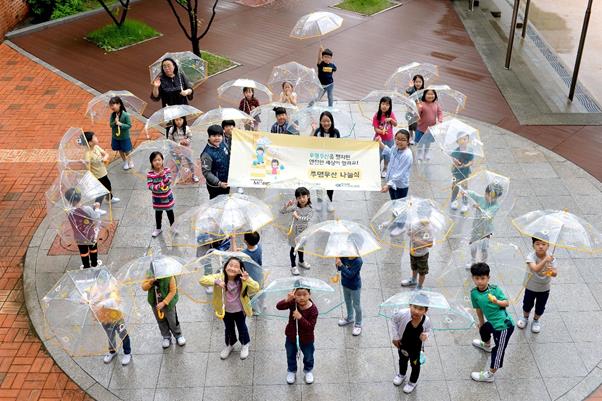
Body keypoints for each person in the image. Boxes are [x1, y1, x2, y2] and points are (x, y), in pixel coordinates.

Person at [199, 257, 260, 360]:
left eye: (236, 266)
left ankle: (245, 344)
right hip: (225, 311)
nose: (232, 268)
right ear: (225, 266)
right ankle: (230, 344)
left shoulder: (243, 280)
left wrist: (248, 279)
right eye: (230, 265)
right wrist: (216, 281)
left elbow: (256, 287)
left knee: (242, 328)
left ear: (241, 270)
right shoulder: (220, 277)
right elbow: (202, 280)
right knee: (229, 328)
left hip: (240, 310)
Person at [469, 262, 514, 383]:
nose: (480, 281)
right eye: (477, 278)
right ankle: (487, 345)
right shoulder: (474, 293)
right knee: (483, 329)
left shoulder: (494, 290)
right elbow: (478, 309)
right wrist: (481, 322)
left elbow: (506, 303)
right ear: (473, 278)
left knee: (499, 350)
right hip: (492, 323)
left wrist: (496, 301)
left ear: (488, 278)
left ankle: (490, 374)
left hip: (503, 326)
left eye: (483, 278)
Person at [276, 286, 318, 385]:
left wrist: (300, 317)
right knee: (290, 354)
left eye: (304, 294)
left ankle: (308, 370)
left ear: (309, 295)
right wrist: (287, 300)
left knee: (308, 356)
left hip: (307, 339)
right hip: (291, 336)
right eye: (298, 295)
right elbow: (278, 306)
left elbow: (310, 327)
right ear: (294, 295)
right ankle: (291, 370)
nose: (302, 298)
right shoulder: (293, 303)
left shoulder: (313, 310)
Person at [517, 235, 557, 333]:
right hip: (531, 286)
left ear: (548, 246)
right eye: (537, 244)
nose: (540, 246)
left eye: (543, 244)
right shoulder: (531, 256)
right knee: (527, 304)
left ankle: (536, 320)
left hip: (544, 288)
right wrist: (545, 261)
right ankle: (525, 318)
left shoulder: (551, 257)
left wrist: (550, 271)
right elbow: (535, 268)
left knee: (540, 306)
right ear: (533, 245)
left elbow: (555, 274)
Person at [391, 298, 432, 394]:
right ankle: (402, 374)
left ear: (426, 311)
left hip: (416, 349)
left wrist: (425, 335)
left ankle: (412, 382)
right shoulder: (402, 314)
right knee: (402, 360)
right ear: (410, 305)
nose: (417, 311)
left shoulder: (426, 320)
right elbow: (393, 321)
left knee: (415, 365)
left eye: (421, 309)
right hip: (403, 345)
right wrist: (395, 337)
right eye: (415, 307)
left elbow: (428, 330)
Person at [141, 261, 186, 348]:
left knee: (172, 320)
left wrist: (164, 302)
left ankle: (178, 335)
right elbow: (143, 287)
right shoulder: (149, 275)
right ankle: (166, 336)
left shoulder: (169, 276)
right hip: (155, 302)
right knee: (160, 320)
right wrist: (150, 282)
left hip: (168, 303)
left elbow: (173, 291)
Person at [89, 280, 132, 366]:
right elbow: (87, 292)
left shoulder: (112, 288)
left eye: (103, 284)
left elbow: (114, 300)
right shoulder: (95, 289)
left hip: (117, 318)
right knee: (110, 335)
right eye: (99, 284)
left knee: (123, 334)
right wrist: (86, 297)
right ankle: (112, 351)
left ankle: (127, 353)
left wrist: (101, 303)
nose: (101, 286)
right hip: (105, 319)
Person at [466, 183, 503, 266]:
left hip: (486, 231)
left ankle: (483, 263)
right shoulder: (481, 199)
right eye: (487, 194)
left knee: (483, 248)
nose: (488, 197)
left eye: (491, 197)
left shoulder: (495, 206)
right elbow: (473, 194)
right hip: (476, 228)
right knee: (473, 245)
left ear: (496, 198)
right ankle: (472, 260)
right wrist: (465, 192)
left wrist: (478, 208)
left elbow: (487, 215)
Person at [64, 187, 102, 269]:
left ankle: (86, 266)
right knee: (93, 249)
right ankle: (94, 264)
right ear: (80, 197)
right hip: (90, 235)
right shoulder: (87, 209)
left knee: (83, 252)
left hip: (79, 237)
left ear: (68, 200)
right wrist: (97, 208)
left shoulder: (68, 211)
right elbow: (96, 217)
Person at [83, 131, 119, 211]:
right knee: (101, 192)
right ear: (90, 142)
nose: (96, 138)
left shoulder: (96, 147)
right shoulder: (88, 154)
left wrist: (105, 158)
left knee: (108, 186)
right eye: (94, 137)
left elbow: (105, 154)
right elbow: (88, 168)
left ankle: (109, 198)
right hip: (97, 176)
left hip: (103, 173)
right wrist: (91, 178)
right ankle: (96, 209)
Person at [280, 187, 313, 275]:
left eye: (303, 197)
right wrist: (286, 205)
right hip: (294, 233)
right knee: (294, 248)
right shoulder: (295, 207)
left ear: (308, 196)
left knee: (301, 247)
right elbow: (282, 212)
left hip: (303, 232)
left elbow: (307, 219)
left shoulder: (310, 209)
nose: (301, 199)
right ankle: (293, 266)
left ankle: (301, 261)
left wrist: (297, 217)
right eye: (299, 198)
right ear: (296, 198)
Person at [312, 111, 340, 212]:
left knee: (330, 182)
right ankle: (319, 200)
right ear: (320, 122)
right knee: (318, 182)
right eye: (323, 121)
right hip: (319, 162)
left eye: (328, 121)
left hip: (331, 163)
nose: (326, 123)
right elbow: (310, 144)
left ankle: (329, 201)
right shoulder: (318, 132)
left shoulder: (336, 132)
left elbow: (339, 146)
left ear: (331, 121)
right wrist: (313, 131)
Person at [377, 129, 413, 200]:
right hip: (391, 182)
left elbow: (400, 173)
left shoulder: (407, 155)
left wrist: (388, 185)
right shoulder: (395, 147)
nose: (399, 142)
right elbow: (390, 152)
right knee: (393, 202)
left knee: (399, 206)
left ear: (408, 141)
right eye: (397, 139)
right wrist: (380, 143)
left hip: (400, 186)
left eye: (403, 139)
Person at [146, 151, 175, 238]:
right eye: (155, 160)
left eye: (159, 159)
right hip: (157, 198)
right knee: (158, 213)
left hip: (167, 197)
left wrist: (163, 176)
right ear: (151, 162)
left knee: (170, 212)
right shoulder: (150, 174)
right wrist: (160, 185)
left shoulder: (167, 170)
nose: (157, 162)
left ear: (162, 160)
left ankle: (173, 227)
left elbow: (168, 182)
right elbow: (150, 186)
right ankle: (158, 228)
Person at [401, 220, 433, 289]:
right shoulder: (414, 223)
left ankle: (419, 286)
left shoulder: (428, 229)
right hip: (413, 252)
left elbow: (430, 244)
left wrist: (418, 240)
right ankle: (413, 280)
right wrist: (410, 233)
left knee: (422, 271)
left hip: (422, 255)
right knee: (414, 267)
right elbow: (409, 234)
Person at [201, 125, 231, 199]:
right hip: (215, 186)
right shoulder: (206, 154)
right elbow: (206, 173)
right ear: (209, 137)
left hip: (226, 182)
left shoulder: (222, 144)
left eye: (219, 135)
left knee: (225, 201)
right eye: (214, 136)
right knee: (215, 205)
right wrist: (219, 183)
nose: (217, 138)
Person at [336, 256, 363, 336]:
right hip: (345, 284)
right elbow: (339, 269)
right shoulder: (344, 257)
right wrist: (337, 263)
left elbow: (351, 275)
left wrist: (341, 265)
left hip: (355, 286)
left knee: (356, 305)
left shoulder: (358, 261)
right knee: (347, 301)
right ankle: (350, 317)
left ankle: (358, 324)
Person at [167, 116, 199, 183]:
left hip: (186, 149)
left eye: (180, 120)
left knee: (190, 162)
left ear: (183, 120)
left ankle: (193, 175)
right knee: (178, 163)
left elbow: (190, 137)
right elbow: (170, 140)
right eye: (176, 120)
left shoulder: (187, 128)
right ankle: (179, 175)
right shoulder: (171, 129)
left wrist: (186, 141)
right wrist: (174, 146)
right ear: (174, 121)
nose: (178, 122)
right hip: (177, 150)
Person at [372, 96, 398, 178]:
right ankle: (377, 168)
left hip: (389, 140)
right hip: (378, 140)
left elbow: (395, 124)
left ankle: (385, 168)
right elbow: (376, 129)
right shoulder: (376, 116)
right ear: (380, 105)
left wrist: (391, 119)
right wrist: (381, 132)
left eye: (387, 104)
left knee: (388, 155)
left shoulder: (391, 114)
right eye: (383, 104)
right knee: (378, 155)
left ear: (390, 106)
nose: (384, 106)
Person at [415, 89, 443, 161]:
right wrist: (419, 108)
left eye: (432, 94)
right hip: (421, 128)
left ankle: (426, 153)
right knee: (420, 142)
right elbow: (417, 114)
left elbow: (440, 113)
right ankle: (420, 153)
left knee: (428, 142)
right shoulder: (422, 104)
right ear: (424, 95)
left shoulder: (436, 104)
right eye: (428, 94)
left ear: (435, 95)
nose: (430, 96)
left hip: (431, 129)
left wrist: (440, 120)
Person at [450, 132, 474, 213]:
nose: (463, 141)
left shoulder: (470, 151)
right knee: (454, 187)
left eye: (465, 139)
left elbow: (471, 162)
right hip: (456, 172)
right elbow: (453, 160)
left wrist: (465, 165)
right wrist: (455, 162)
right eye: (461, 139)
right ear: (457, 141)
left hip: (465, 172)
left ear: (468, 140)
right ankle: (453, 201)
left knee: (464, 188)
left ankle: (465, 203)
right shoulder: (456, 151)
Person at [108, 96, 133, 170]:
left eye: (113, 105)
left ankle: (130, 161)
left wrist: (120, 124)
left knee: (127, 150)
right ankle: (125, 161)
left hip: (124, 137)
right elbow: (110, 125)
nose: (112, 107)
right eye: (111, 105)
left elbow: (129, 125)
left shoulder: (125, 115)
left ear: (119, 104)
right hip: (116, 136)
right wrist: (115, 122)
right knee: (120, 150)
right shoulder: (113, 115)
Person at [405, 75, 424, 145]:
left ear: (422, 83)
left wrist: (420, 103)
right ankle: (411, 137)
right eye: (416, 82)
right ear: (413, 82)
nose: (418, 83)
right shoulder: (412, 89)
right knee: (410, 125)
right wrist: (410, 86)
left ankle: (416, 138)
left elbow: (424, 101)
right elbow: (406, 94)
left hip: (418, 112)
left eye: (420, 82)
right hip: (410, 110)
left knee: (416, 126)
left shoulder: (423, 91)